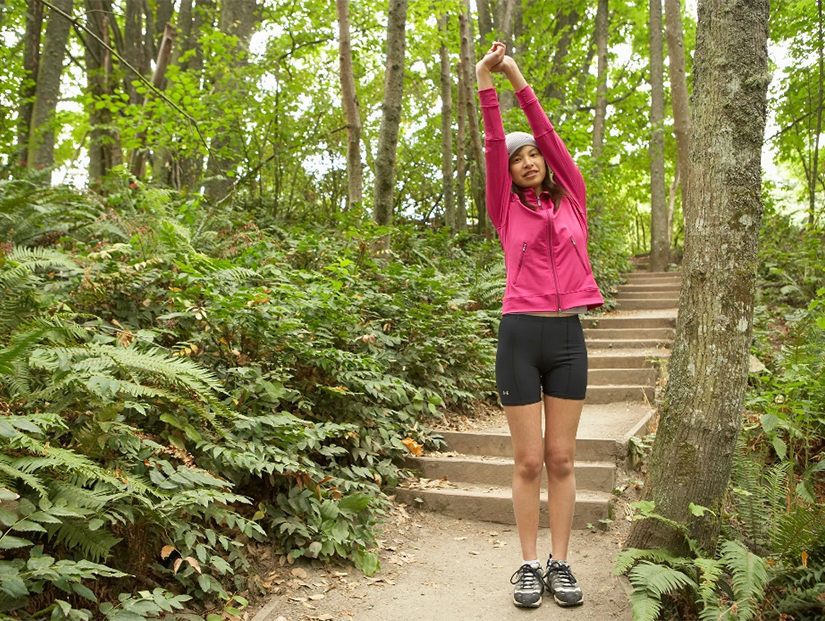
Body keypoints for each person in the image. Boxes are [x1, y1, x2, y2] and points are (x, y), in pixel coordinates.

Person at [475, 42, 604, 609]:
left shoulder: (572, 198)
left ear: (548, 163)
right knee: (528, 461)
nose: (527, 160)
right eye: (519, 158)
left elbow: (545, 132)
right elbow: (496, 144)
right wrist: (486, 84)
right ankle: (528, 565)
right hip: (520, 336)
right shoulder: (505, 207)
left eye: (535, 156)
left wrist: (517, 77)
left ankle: (561, 562)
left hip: (568, 337)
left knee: (562, 459)